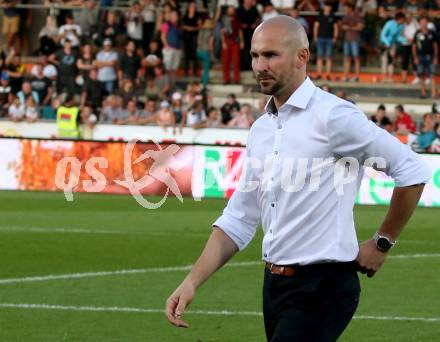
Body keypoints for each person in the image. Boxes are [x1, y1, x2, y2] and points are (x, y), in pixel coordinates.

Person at [165, 16, 431, 341]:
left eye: (271, 55)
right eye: (255, 55)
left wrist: (382, 242)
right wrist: (191, 281)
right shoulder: (261, 129)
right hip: (274, 286)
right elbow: (240, 217)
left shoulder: (334, 116)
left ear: (301, 57)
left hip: (324, 286)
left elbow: (412, 171)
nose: (260, 65)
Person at [412, 16, 438, 99]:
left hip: (430, 56)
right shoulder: (417, 33)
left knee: (432, 75)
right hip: (420, 57)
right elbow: (414, 46)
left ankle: (433, 93)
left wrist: (436, 57)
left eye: (425, 22)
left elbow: (435, 46)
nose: (423, 24)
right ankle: (423, 93)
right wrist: (415, 57)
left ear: (427, 23)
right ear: (419, 23)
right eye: (422, 22)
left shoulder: (432, 33)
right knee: (422, 75)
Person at [313, 2, 338, 81]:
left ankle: (328, 74)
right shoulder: (320, 16)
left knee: (328, 57)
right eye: (326, 6)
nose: (327, 8)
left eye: (329, 6)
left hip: (329, 39)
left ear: (330, 8)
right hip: (320, 38)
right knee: (319, 56)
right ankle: (319, 74)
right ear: (324, 7)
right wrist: (315, 36)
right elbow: (316, 26)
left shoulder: (333, 16)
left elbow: (335, 27)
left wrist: (335, 37)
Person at [379, 11, 405, 82]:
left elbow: (398, 37)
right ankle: (384, 77)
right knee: (385, 60)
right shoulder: (389, 23)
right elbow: (383, 34)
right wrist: (387, 43)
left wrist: (405, 40)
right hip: (384, 44)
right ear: (399, 18)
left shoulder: (402, 26)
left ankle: (390, 77)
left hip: (392, 44)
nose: (403, 21)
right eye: (402, 19)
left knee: (391, 60)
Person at [341, 3, 364, 82]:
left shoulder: (358, 16)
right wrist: (350, 27)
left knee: (356, 58)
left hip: (355, 39)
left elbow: (360, 27)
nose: (345, 10)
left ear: (351, 8)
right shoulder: (345, 16)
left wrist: (349, 27)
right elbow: (342, 26)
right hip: (347, 39)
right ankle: (346, 76)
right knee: (347, 58)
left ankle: (357, 76)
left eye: (346, 8)